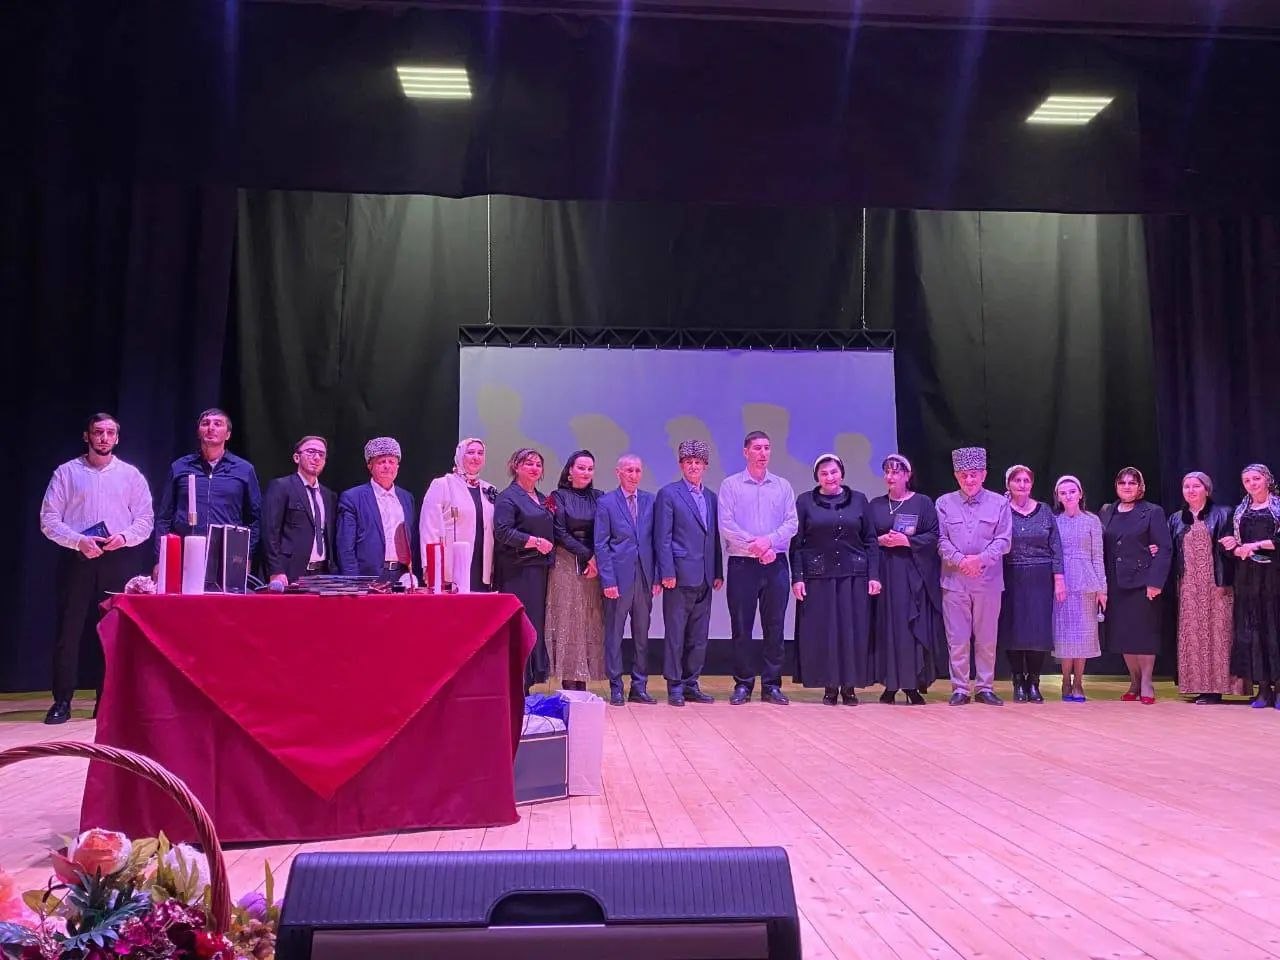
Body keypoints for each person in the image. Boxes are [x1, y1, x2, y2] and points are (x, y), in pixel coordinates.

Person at [38, 413, 154, 724]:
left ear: (117, 438)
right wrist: (78, 541)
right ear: (86, 436)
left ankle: (108, 702)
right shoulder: (66, 473)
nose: (104, 438)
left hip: (118, 559)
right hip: (77, 558)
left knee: (113, 633)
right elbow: (49, 519)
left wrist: (124, 537)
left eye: (109, 433)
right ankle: (62, 701)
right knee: (69, 631)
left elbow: (145, 520)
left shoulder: (130, 475)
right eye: (98, 432)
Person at [790, 454, 881, 705]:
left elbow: (871, 541)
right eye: (824, 473)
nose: (829, 477)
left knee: (852, 632)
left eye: (833, 472)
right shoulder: (805, 501)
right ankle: (830, 686)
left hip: (854, 577)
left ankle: (850, 687)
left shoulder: (859, 500)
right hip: (818, 577)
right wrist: (797, 577)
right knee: (825, 632)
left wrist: (874, 575)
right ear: (817, 477)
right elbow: (797, 544)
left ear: (841, 473)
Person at [719, 430, 798, 706]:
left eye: (767, 448)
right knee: (742, 626)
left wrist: (769, 543)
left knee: (775, 626)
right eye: (757, 448)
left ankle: (772, 685)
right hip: (743, 564)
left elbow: (791, 523)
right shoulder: (731, 485)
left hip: (776, 563)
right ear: (746, 452)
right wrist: (757, 545)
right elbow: (726, 524)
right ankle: (743, 684)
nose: (763, 453)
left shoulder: (782, 486)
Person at [936, 446, 1013, 706]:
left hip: (987, 581)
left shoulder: (1000, 503)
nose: (969, 480)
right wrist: (961, 561)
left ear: (984, 475)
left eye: (974, 474)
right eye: (963, 475)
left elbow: (1004, 540)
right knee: (957, 638)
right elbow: (940, 540)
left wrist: (979, 560)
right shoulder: (944, 503)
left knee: (986, 638)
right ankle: (960, 688)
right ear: (956, 476)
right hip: (954, 581)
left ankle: (984, 687)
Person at [869, 454, 946, 705]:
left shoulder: (922, 503)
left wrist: (907, 541)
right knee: (889, 627)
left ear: (907, 475)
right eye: (887, 471)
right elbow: (866, 539)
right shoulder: (876, 505)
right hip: (887, 574)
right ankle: (890, 685)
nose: (890, 476)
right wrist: (880, 540)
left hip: (914, 575)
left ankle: (912, 685)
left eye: (896, 472)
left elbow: (934, 536)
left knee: (911, 628)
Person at [656, 439, 724, 706]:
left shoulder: (711, 497)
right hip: (679, 575)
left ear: (705, 466)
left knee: (699, 635)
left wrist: (717, 570)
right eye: (688, 462)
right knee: (676, 633)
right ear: (681, 465)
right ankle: (674, 684)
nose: (693, 466)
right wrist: (667, 571)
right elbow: (663, 537)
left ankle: (691, 683)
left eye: (698, 462)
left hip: (705, 576)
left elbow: (713, 537)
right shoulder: (669, 494)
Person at [153, 408, 261, 572]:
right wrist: (160, 558)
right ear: (198, 432)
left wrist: (246, 555)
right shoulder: (180, 467)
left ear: (228, 434)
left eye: (218, 424)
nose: (211, 428)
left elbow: (254, 519)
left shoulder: (244, 470)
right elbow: (164, 517)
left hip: (228, 555)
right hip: (184, 553)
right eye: (205, 423)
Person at [1099, 466, 1171, 704]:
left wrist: (1155, 582)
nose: (1127, 487)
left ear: (1141, 487)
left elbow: (1164, 548)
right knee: (1124, 635)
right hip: (1114, 582)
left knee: (1144, 634)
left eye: (1132, 483)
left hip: (1142, 583)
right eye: (1122, 483)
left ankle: (1147, 682)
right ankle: (1134, 682)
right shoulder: (1107, 511)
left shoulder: (1152, 511)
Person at [1169, 471, 1240, 704]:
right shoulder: (1176, 519)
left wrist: (1234, 543)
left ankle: (1218, 688)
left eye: (1196, 486)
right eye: (1186, 486)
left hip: (1216, 584)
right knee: (1193, 635)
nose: (1191, 490)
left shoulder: (1224, 513)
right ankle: (1198, 686)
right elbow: (1171, 551)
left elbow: (1236, 545)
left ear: (1207, 490)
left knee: (1219, 635)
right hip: (1188, 586)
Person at [595, 454, 660, 706]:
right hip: (618, 580)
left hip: (644, 577)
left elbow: (656, 541)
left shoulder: (650, 501)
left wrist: (656, 576)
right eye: (629, 470)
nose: (634, 475)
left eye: (637, 470)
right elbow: (601, 544)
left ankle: (639, 686)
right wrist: (608, 580)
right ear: (618, 473)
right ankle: (616, 687)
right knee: (614, 634)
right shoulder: (606, 502)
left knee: (642, 634)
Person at [997, 465, 1064, 704]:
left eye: (1026, 480)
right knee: (1013, 629)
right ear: (1008, 484)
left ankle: (1034, 682)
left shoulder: (1044, 510)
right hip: (1010, 575)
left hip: (1040, 576)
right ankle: (1017, 681)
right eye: (1017, 480)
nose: (1022, 484)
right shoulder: (1001, 510)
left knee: (1038, 631)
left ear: (1032, 484)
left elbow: (1056, 545)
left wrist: (1059, 578)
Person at [493, 447, 555, 692]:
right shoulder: (508, 497)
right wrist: (535, 542)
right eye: (528, 463)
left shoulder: (542, 498)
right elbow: (502, 532)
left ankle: (527, 684)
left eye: (538, 464)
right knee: (520, 626)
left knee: (534, 625)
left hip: (539, 572)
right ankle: (515, 685)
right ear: (516, 466)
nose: (534, 468)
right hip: (517, 571)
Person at [1220, 463, 1280, 709]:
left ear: (1267, 479)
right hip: (1248, 578)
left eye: (1256, 479)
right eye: (1247, 481)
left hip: (1274, 576)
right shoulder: (1240, 511)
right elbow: (1232, 543)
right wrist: (1235, 547)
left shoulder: (1277, 507)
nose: (1252, 484)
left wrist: (1255, 545)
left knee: (1275, 628)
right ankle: (1263, 688)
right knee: (1254, 630)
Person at [545, 450, 606, 691]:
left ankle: (583, 679)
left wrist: (596, 558)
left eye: (590, 468)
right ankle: (568, 679)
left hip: (593, 567)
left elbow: (605, 531)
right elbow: (559, 532)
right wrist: (588, 555)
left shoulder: (600, 497)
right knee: (568, 620)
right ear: (570, 470)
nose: (586, 472)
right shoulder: (557, 497)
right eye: (581, 467)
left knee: (588, 621)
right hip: (565, 563)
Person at [335, 437, 420, 585]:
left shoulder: (407, 498)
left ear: (398, 466)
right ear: (370, 466)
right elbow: (345, 547)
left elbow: (411, 543)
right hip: (367, 578)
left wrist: (410, 575)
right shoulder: (352, 498)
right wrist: (353, 582)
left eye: (391, 461)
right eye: (381, 462)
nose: (387, 466)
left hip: (401, 577)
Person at [1051, 475, 1106, 702]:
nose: (1068, 496)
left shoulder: (1092, 521)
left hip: (1087, 582)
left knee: (1083, 635)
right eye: (1063, 493)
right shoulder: (1055, 521)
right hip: (1063, 583)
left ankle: (1079, 682)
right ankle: (1065, 680)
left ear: (1080, 493)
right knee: (1065, 634)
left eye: (1072, 491)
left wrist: (1102, 589)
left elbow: (1098, 556)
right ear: (1058, 497)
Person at [420, 437, 497, 591]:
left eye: (480, 453)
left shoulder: (489, 489)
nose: (476, 457)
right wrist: (429, 565)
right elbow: (429, 527)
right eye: (471, 452)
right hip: (450, 565)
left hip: (481, 565)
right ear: (460, 455)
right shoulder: (442, 484)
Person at [261, 435, 337, 585]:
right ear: (297, 457)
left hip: (322, 573)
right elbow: (269, 532)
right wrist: (275, 570)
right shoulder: (281, 487)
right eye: (311, 452)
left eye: (321, 454)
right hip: (290, 572)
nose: (316, 457)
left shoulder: (328, 495)